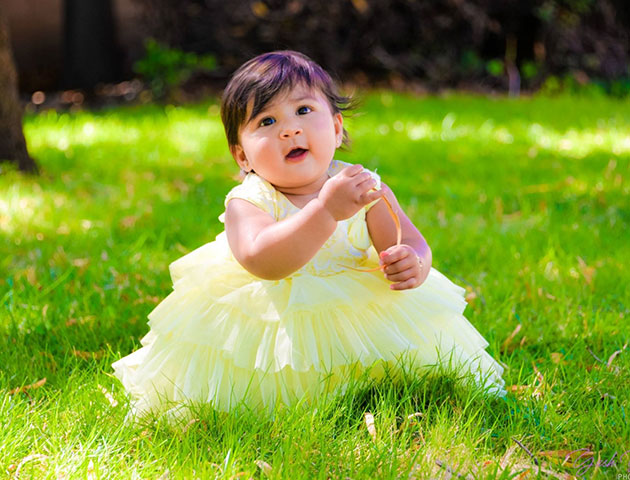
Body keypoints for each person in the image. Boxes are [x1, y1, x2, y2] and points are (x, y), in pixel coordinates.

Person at [113, 50, 506, 420]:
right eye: (267, 122)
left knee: (410, 375)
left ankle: (379, 391)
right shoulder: (248, 201)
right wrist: (326, 211)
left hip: (359, 316)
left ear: (336, 128)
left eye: (304, 110)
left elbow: (409, 240)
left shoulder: (362, 186)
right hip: (276, 326)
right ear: (242, 156)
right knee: (265, 393)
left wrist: (414, 262)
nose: (290, 129)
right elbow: (263, 260)